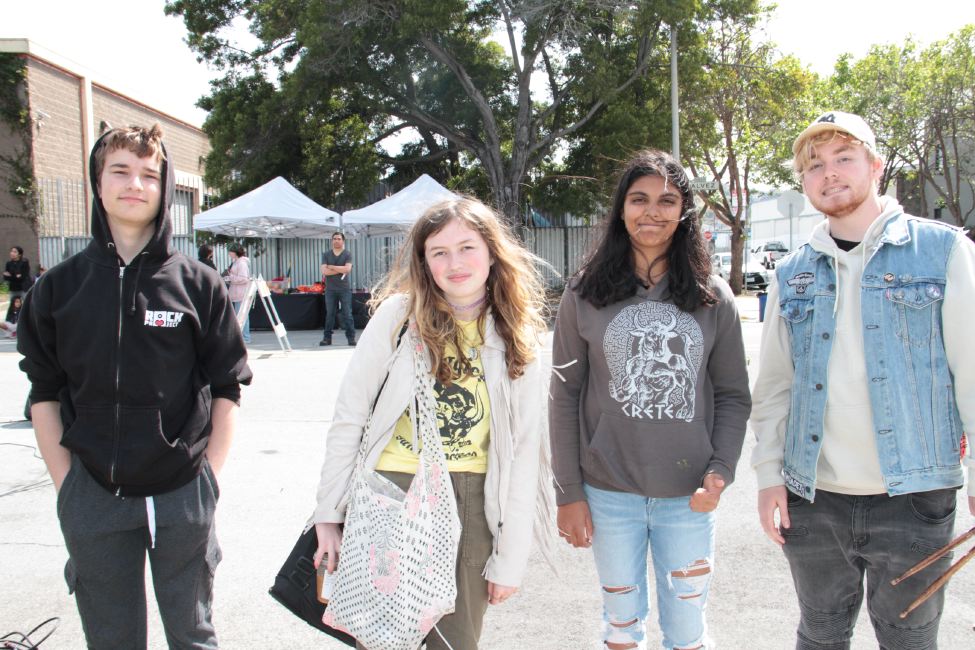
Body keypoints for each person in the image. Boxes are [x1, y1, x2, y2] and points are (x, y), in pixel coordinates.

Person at [16, 124, 252, 649]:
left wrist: (207, 481)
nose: (135, 184)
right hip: (93, 493)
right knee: (112, 641)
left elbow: (228, 387)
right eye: (120, 171)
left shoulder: (198, 284)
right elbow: (44, 393)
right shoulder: (57, 288)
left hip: (182, 494)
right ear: (97, 183)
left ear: (165, 188)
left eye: (149, 174)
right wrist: (68, 486)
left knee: (193, 637)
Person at [751, 111, 975, 649]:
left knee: (909, 640)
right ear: (804, 183)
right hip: (814, 497)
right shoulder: (792, 273)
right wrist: (767, 475)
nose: (829, 173)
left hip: (916, 496)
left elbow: (971, 368)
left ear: (875, 166)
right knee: (820, 635)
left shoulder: (943, 251)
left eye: (843, 158)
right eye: (814, 165)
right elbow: (775, 386)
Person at [311, 197, 552, 649]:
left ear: (492, 252)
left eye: (467, 247)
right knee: (380, 640)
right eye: (439, 252)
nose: (454, 263)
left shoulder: (516, 332)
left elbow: (524, 452)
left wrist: (510, 557)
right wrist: (328, 513)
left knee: (455, 642)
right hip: (392, 490)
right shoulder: (398, 317)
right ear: (424, 262)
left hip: (472, 501)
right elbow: (350, 417)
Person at [549, 149, 751, 650]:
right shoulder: (583, 294)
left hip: (688, 495)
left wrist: (721, 469)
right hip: (608, 491)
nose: (652, 212)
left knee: (686, 629)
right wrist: (568, 492)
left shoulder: (712, 297)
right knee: (620, 626)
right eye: (639, 199)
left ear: (684, 212)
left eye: (667, 201)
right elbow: (564, 396)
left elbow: (732, 395)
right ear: (621, 209)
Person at [320, 231, 356, 346]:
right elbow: (324, 271)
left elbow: (347, 269)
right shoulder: (326, 254)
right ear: (332, 241)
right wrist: (340, 269)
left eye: (339, 239)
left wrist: (332, 267)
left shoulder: (347, 254)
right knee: (330, 314)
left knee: (347, 314)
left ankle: (351, 338)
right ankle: (327, 338)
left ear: (343, 241)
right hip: (330, 290)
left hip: (344, 289)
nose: (336, 240)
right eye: (334, 239)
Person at [226, 243, 252, 343]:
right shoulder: (237, 262)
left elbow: (244, 278)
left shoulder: (241, 263)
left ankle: (245, 337)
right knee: (240, 316)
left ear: (235, 252)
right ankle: (243, 337)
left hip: (241, 293)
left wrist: (230, 278)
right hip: (237, 293)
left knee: (242, 316)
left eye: (230, 251)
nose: (229, 253)